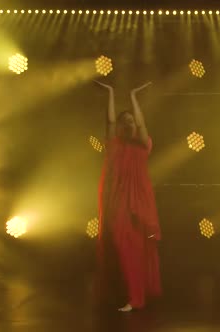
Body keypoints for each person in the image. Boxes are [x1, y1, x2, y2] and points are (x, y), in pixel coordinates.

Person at [94, 80, 162, 312]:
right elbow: (110, 121)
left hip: (140, 203)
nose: (128, 123)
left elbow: (142, 124)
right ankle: (132, 295)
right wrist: (111, 93)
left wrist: (134, 95)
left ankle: (136, 298)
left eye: (131, 120)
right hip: (119, 202)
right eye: (125, 121)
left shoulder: (144, 145)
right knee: (123, 246)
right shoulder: (114, 145)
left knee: (136, 247)